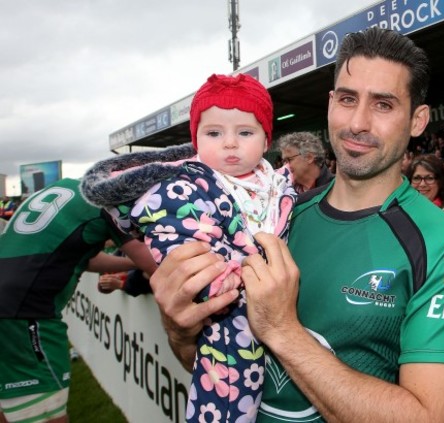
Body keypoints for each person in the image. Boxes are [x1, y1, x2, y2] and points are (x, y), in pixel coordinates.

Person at [149, 27, 444, 422]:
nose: (357, 122)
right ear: (330, 104)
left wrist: (282, 331)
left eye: (383, 105)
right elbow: (214, 369)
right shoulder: (273, 221)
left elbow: (429, 417)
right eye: (347, 99)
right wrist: (179, 330)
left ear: (417, 120)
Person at [82, 73, 296, 423]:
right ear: (195, 139)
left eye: (245, 132)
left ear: (266, 138)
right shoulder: (175, 193)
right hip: (227, 325)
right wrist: (246, 277)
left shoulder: (278, 185)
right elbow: (194, 271)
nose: (230, 143)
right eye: (214, 133)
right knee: (228, 407)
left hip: (284, 326)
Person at [0, 178, 157, 423]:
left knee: (13, 404)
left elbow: (84, 259)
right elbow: (156, 265)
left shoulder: (73, 187)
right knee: (46, 414)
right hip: (26, 311)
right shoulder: (112, 200)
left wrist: (130, 263)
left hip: (13, 302)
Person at [407, 154, 444, 227]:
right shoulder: (401, 213)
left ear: (440, 182)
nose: (422, 184)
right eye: (416, 178)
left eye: (429, 178)